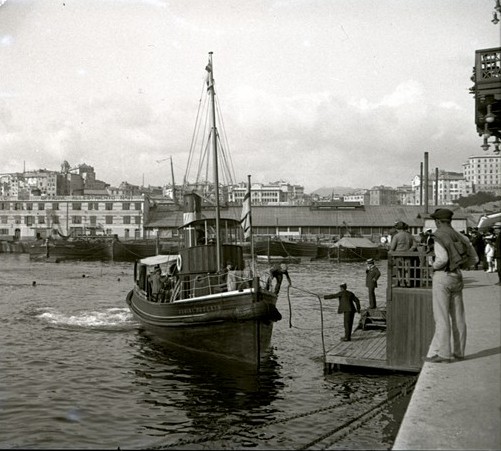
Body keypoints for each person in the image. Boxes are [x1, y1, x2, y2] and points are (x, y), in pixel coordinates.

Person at [425, 208, 478, 363]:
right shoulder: (460, 235)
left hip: (443, 277)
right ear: (450, 221)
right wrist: (462, 265)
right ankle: (459, 352)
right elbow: (474, 259)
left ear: (437, 221)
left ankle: (444, 354)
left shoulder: (439, 236)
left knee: (441, 317)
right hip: (457, 276)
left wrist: (432, 266)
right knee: (458, 317)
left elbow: (442, 259)